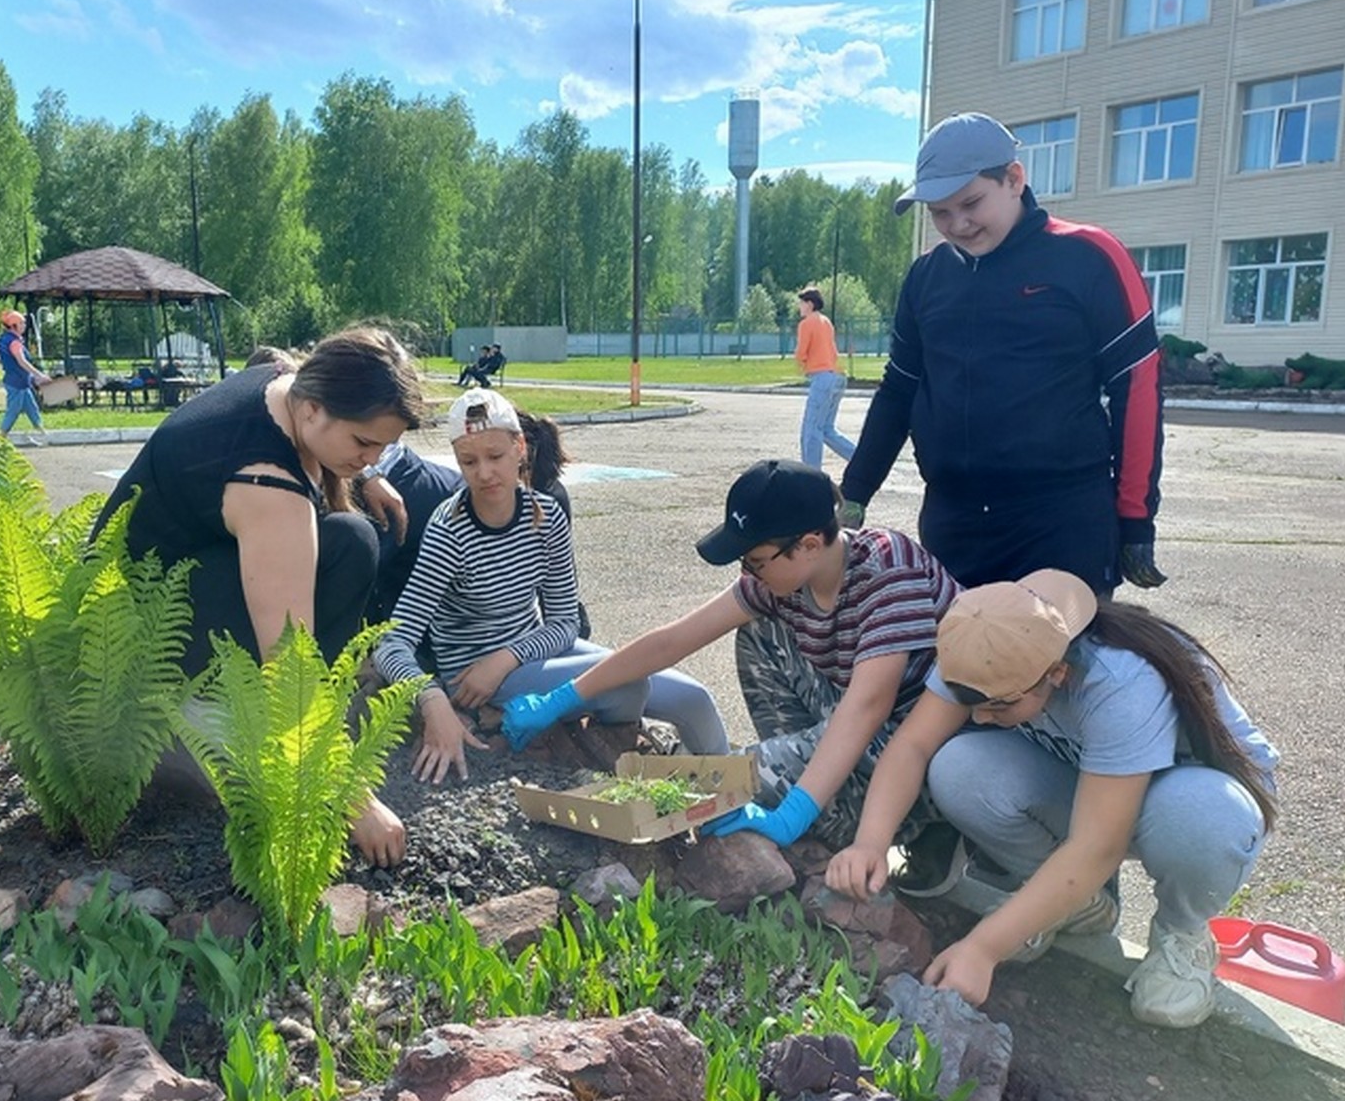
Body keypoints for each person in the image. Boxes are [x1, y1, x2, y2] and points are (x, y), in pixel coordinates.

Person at [821, 569, 1274, 1025]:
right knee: (960, 767)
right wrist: (870, 842)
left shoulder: (1120, 681)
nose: (980, 715)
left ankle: (1181, 933)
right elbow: (913, 745)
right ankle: (1067, 903)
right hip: (1090, 780)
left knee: (1204, 819)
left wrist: (983, 948)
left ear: (1056, 673)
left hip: (1184, 796)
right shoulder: (983, 645)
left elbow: (1099, 845)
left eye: (1000, 705)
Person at [100, 322, 426, 861]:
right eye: (364, 444)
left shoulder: (281, 380)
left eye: (384, 448)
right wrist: (352, 795)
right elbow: (287, 661)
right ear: (315, 409)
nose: (371, 458)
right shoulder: (268, 485)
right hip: (139, 635)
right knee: (347, 549)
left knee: (350, 538)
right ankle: (224, 719)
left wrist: (362, 473)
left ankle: (258, 715)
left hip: (162, 579)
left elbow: (332, 451)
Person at [523, 458, 951, 832]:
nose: (748, 572)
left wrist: (790, 810)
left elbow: (869, 706)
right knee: (759, 633)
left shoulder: (887, 570)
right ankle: (817, 795)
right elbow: (673, 640)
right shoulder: (784, 579)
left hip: (926, 743)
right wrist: (567, 694)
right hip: (858, 720)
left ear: (808, 544)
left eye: (755, 561)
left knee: (740, 777)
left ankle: (838, 810)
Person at [841, 113, 1162, 597]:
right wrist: (854, 493)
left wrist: (1136, 520)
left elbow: (1137, 388)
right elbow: (899, 391)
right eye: (940, 213)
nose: (957, 225)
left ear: (1014, 179)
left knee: (1060, 671)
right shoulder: (927, 278)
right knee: (956, 670)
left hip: (1060, 524)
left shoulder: (1089, 256)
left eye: (970, 203)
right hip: (955, 527)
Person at [368, 389, 727, 781]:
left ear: (519, 448)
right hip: (476, 676)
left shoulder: (546, 516)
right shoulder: (449, 530)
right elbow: (394, 641)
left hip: (523, 653)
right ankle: (608, 752)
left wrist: (507, 657)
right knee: (627, 684)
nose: (484, 473)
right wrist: (432, 698)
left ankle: (732, 803)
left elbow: (563, 622)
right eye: (468, 462)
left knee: (694, 699)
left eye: (495, 456)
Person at [795, 285, 857, 467]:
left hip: (822, 378)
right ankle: (860, 460)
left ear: (810, 304)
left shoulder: (806, 323)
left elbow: (801, 353)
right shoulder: (826, 321)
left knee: (811, 430)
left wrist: (800, 362)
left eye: (802, 303)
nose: (800, 307)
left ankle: (810, 475)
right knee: (827, 430)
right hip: (837, 377)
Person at [0, 309, 48, 444]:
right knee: (13, 411)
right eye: (21, 323)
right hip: (16, 383)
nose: (24, 326)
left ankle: (43, 433)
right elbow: (22, 361)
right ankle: (0, 438)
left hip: (21, 382)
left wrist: (6, 361)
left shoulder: (3, 339)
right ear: (14, 326)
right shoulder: (15, 343)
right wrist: (39, 375)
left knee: (32, 408)